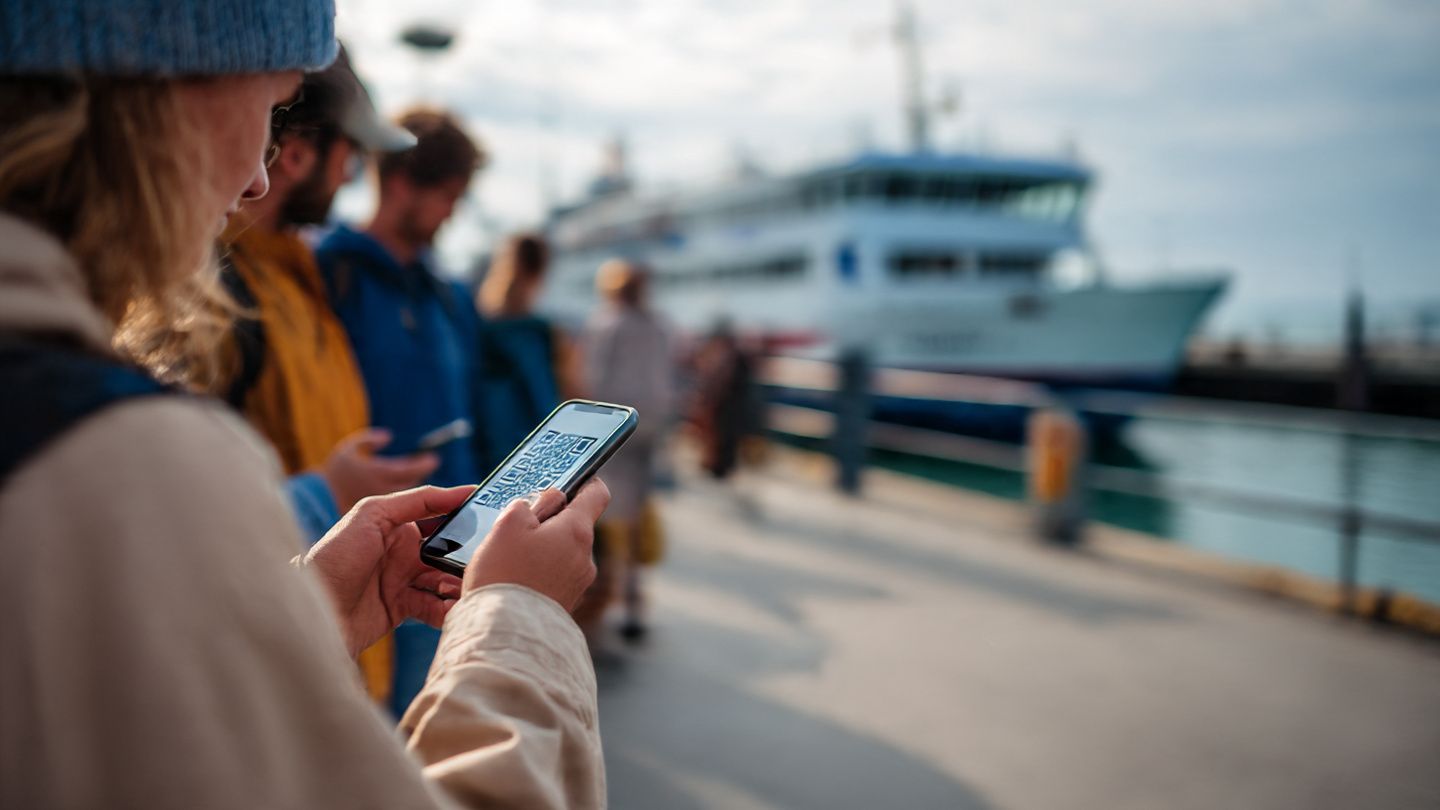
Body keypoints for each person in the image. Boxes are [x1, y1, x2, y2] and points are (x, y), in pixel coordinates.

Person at [0, 3, 608, 807]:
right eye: (270, 106)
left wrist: (295, 615)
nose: (260, 172)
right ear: (168, 92)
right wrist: (523, 619)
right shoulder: (113, 453)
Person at [215, 45, 432, 703]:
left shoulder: (300, 277)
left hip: (332, 649)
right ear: (301, 152)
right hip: (276, 671)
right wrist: (327, 492)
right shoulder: (213, 299)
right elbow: (182, 545)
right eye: (352, 156)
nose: (351, 176)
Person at [314, 108, 488, 717]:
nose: (454, 214)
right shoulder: (327, 274)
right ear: (402, 182)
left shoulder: (448, 296)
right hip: (364, 560)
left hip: (457, 558)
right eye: (449, 196)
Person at [583, 259, 674, 643]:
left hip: (613, 428)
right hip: (650, 426)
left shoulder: (607, 323)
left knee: (601, 514)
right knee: (636, 516)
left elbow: (593, 378)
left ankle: (599, 602)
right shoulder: (658, 325)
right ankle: (634, 601)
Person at [474, 232, 583, 460]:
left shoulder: (478, 326)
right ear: (541, 270)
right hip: (537, 443)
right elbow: (573, 391)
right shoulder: (545, 332)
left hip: (488, 445)